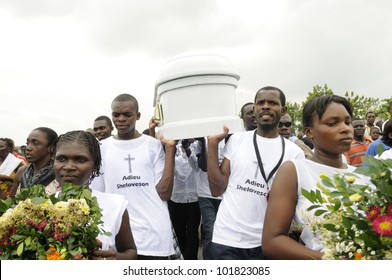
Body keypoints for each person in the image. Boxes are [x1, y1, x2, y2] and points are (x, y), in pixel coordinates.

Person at [262, 95, 371, 259]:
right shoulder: (295, 171)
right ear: (309, 131)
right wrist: (331, 261)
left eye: (347, 122)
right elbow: (273, 241)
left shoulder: (363, 177)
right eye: (332, 123)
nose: (346, 129)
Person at [207, 86, 305, 260]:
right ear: (254, 108)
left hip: (268, 242)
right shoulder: (237, 140)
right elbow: (217, 190)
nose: (265, 106)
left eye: (272, 103)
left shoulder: (294, 152)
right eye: (261, 103)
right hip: (227, 239)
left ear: (283, 110)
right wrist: (212, 145)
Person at [90, 93, 177, 259]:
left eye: (127, 114)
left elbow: (165, 193)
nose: (121, 119)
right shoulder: (101, 148)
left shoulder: (154, 145)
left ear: (137, 116)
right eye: (116, 115)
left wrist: (170, 150)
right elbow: (98, 195)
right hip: (117, 236)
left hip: (154, 236)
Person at [52, 130, 137, 260]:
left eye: (80, 160)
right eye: (62, 159)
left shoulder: (114, 205)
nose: (68, 166)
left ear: (95, 165)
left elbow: (130, 251)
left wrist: (116, 258)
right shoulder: (39, 208)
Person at [168, 139, 201, 259]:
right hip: (176, 198)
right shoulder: (172, 148)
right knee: (179, 232)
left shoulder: (196, 146)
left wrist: (187, 148)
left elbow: (197, 167)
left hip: (194, 198)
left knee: (192, 234)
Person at [9, 127, 59, 197]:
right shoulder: (22, 171)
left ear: (51, 148)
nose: (28, 148)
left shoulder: (59, 173)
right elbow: (10, 204)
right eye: (27, 143)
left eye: (35, 143)